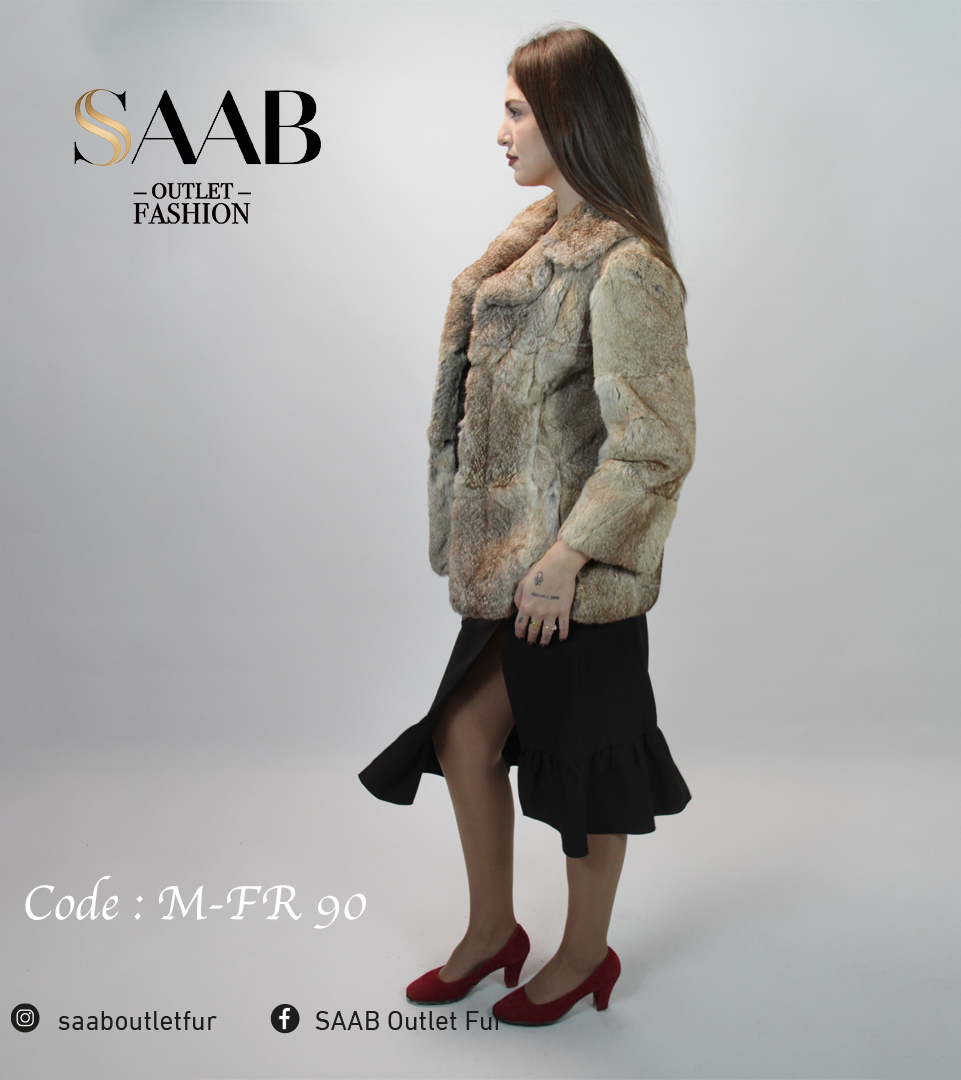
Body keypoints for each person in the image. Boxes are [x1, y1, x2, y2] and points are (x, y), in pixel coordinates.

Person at [359, 25, 695, 1026]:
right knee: (464, 736)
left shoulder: (625, 266)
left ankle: (585, 954)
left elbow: (654, 444)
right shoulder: (532, 247)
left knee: (587, 768)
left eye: (516, 110)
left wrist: (565, 558)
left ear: (569, 118)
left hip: (572, 578)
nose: (500, 131)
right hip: (509, 566)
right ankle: (492, 932)